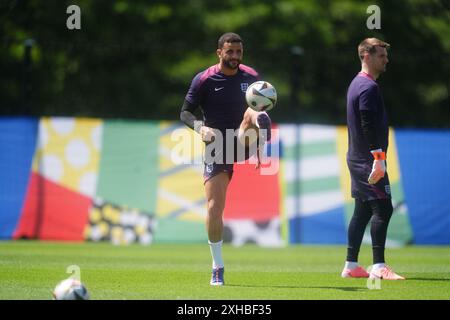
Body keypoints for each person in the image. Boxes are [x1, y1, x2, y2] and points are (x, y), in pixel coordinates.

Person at [180, 32, 272, 286]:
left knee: (253, 111)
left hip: (243, 139)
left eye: (238, 52)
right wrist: (200, 128)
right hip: (217, 145)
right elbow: (185, 112)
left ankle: (259, 128)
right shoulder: (204, 79)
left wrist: (261, 149)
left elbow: (260, 103)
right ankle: (217, 266)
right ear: (219, 52)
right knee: (214, 207)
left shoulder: (251, 77)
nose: (234, 57)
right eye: (229, 52)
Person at [341, 38, 405, 280]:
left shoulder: (357, 83)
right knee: (383, 208)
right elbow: (367, 124)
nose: (386, 59)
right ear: (366, 56)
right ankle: (378, 266)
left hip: (358, 157)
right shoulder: (368, 87)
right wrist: (378, 158)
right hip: (367, 159)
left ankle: (351, 265)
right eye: (381, 55)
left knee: (363, 211)